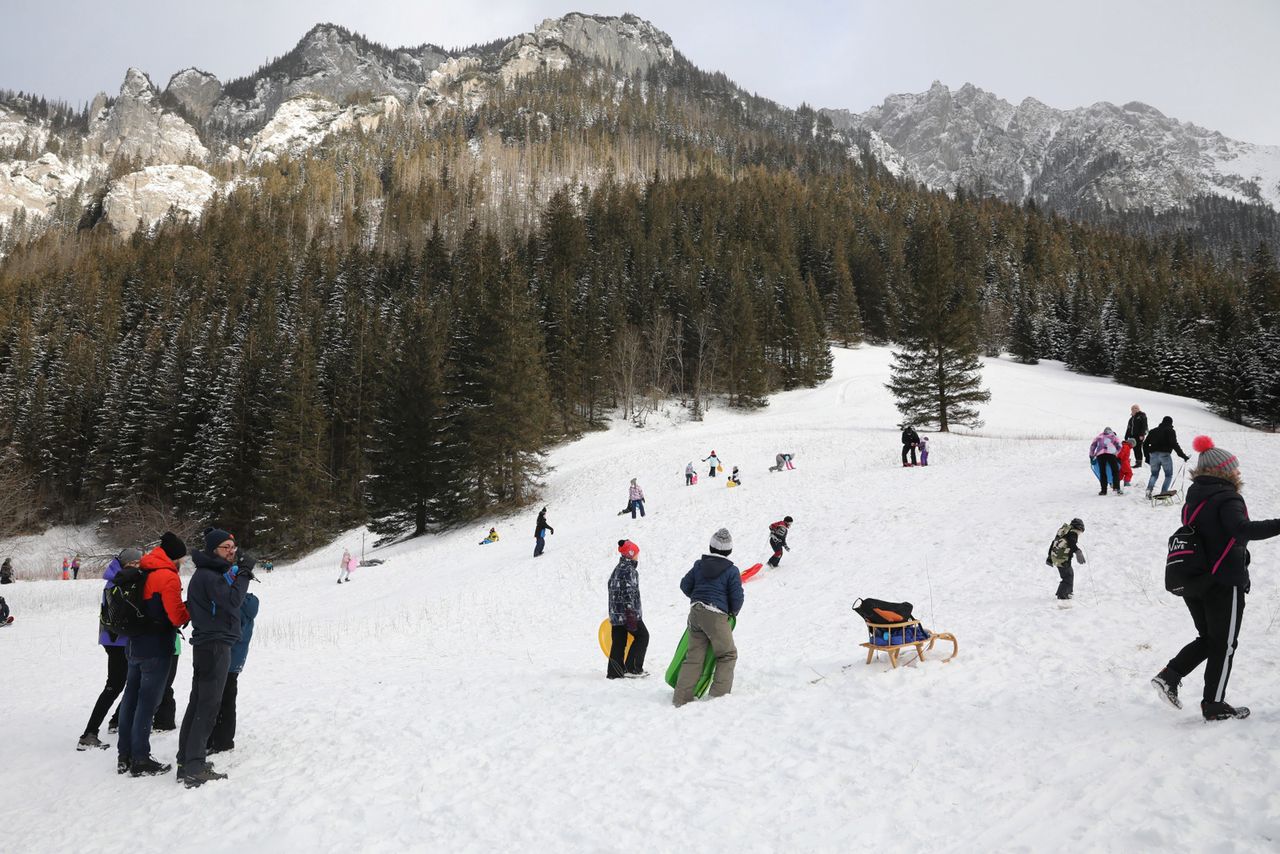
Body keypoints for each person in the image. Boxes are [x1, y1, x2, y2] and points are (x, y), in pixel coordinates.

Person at [1151, 436, 1280, 720]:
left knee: (1210, 638)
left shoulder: (1194, 497)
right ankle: (1214, 704)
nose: (1238, 472)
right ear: (1223, 470)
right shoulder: (1228, 496)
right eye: (1234, 468)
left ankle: (1170, 676)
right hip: (1223, 582)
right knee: (1224, 644)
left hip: (1195, 580)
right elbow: (1242, 530)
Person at [177, 528, 253, 787]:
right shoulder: (209, 575)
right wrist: (243, 573)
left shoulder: (210, 573)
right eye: (225, 547)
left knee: (198, 702)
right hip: (214, 645)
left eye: (233, 546)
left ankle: (185, 761)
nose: (231, 551)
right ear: (212, 550)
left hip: (210, 644)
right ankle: (194, 766)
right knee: (208, 705)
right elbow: (232, 602)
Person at [116, 532, 188, 777]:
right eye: (182, 558)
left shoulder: (143, 568)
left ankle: (124, 755)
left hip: (134, 644)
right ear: (174, 556)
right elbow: (175, 615)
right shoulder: (167, 576)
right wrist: (189, 611)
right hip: (156, 647)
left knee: (130, 699)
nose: (183, 563)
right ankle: (141, 759)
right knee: (147, 704)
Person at [78, 547, 142, 751]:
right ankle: (89, 734)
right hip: (117, 640)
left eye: (138, 563)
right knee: (115, 685)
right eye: (132, 563)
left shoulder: (117, 578)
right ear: (124, 563)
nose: (135, 566)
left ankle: (116, 721)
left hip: (115, 638)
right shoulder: (119, 580)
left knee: (131, 681)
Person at [673, 528, 744, 706]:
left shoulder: (699, 565)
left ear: (711, 547)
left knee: (694, 657)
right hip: (716, 615)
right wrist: (732, 612)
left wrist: (698, 597)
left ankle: (681, 699)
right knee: (727, 654)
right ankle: (718, 699)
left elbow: (684, 585)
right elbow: (737, 598)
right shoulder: (731, 570)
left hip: (696, 612)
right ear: (729, 550)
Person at [208, 592, 259, 754]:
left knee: (220, 700)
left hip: (225, 657)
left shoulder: (232, 604)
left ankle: (221, 740)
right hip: (236, 660)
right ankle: (223, 738)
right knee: (227, 699)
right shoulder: (248, 604)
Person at [606, 540, 649, 679]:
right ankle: (633, 668)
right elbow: (629, 594)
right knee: (642, 636)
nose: (637, 556)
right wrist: (632, 615)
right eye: (636, 554)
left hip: (616, 614)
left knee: (619, 642)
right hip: (628, 614)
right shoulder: (629, 570)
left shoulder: (618, 568)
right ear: (631, 554)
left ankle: (614, 672)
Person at [1143, 416, 1191, 499]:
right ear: (1170, 423)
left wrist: (1147, 457)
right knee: (1168, 475)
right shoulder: (1170, 431)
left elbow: (1145, 444)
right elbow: (1174, 444)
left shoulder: (1153, 431)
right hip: (1165, 455)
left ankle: (1149, 490)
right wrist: (1183, 456)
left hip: (1153, 455)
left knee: (1154, 474)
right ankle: (1163, 492)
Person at [1045, 518, 1086, 600]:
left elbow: (1054, 543)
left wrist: (1049, 557)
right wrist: (1078, 551)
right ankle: (1062, 595)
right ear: (1079, 528)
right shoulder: (1073, 533)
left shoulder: (1063, 531)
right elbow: (1071, 543)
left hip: (1056, 557)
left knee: (1069, 574)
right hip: (1063, 559)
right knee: (1067, 576)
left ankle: (1068, 592)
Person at [1089, 427, 1123, 495]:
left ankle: (1103, 491)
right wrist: (1116, 452)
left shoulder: (1099, 437)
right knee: (1115, 471)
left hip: (1100, 455)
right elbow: (1119, 445)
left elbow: (1093, 446)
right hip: (1111, 454)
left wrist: (1091, 455)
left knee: (1102, 472)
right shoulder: (1113, 436)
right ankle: (1117, 488)